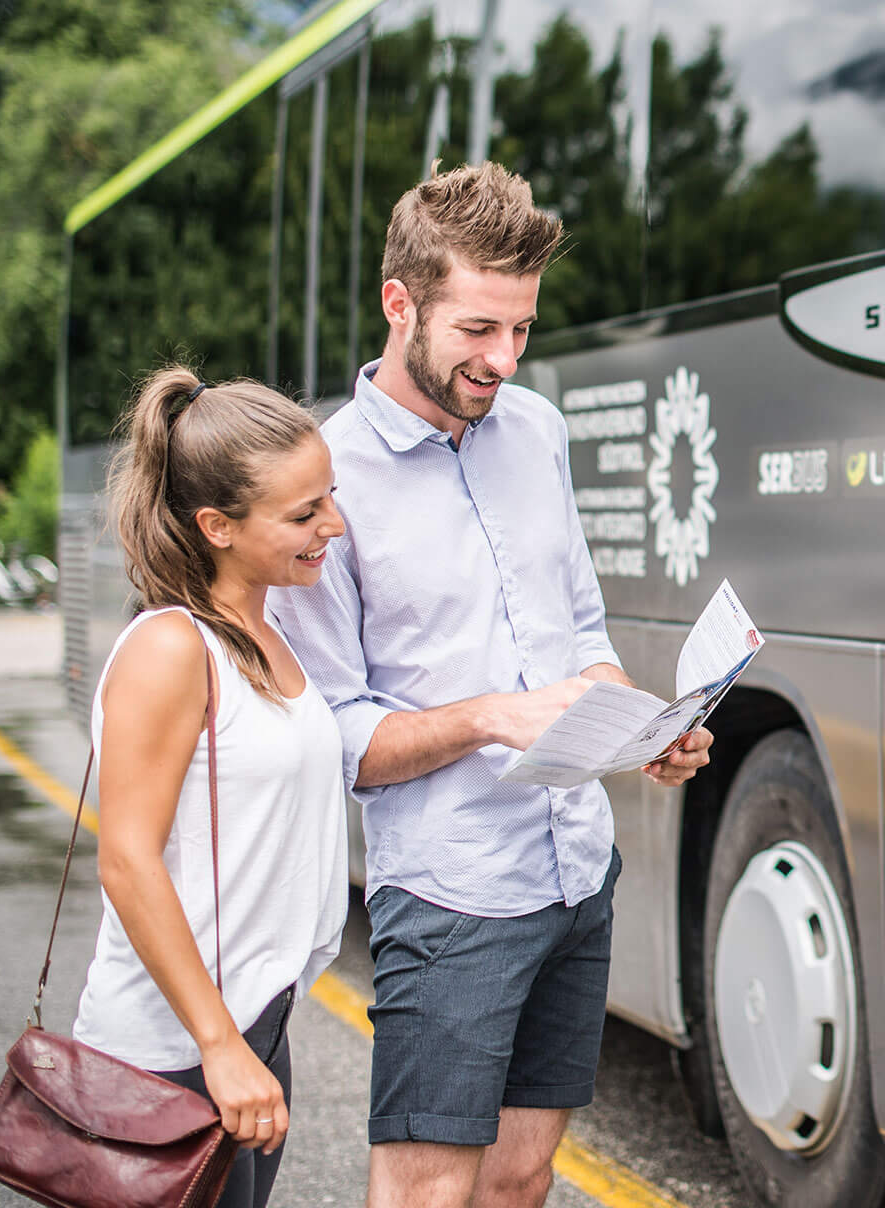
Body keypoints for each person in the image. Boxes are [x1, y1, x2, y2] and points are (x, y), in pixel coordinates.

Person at [270, 162, 713, 1208]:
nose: (504, 359)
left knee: (520, 1178)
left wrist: (645, 722)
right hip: (451, 893)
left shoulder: (539, 430)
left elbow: (581, 630)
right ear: (400, 303)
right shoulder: (325, 477)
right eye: (477, 328)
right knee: (427, 1191)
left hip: (576, 873)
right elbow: (335, 737)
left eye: (521, 328)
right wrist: (489, 719)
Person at [73, 366, 350, 1208]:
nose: (333, 525)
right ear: (216, 526)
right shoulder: (170, 648)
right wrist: (217, 1043)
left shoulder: (267, 633)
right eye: (303, 514)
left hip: (253, 1028)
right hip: (170, 1053)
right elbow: (126, 860)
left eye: (330, 498)